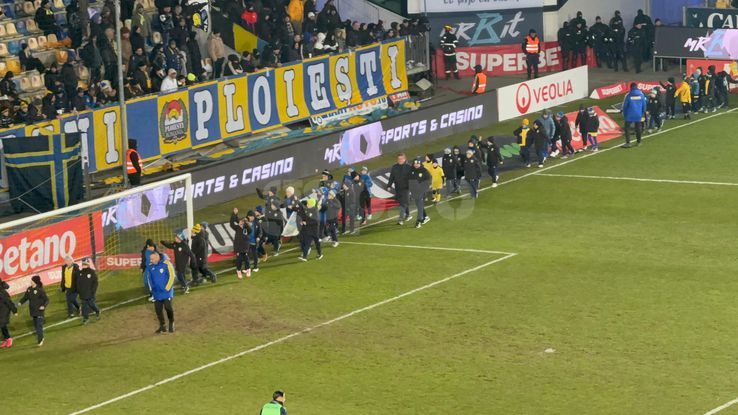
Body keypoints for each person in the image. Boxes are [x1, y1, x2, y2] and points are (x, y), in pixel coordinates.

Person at [145, 252, 176, 334]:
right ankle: (163, 326)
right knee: (158, 310)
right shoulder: (151, 267)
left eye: (152, 259)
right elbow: (149, 279)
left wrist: (167, 288)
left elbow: (172, 276)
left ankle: (171, 323)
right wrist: (152, 290)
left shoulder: (166, 264)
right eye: (150, 259)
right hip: (157, 293)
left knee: (168, 308)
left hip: (167, 292)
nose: (151, 260)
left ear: (157, 258)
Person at [18, 275, 49, 346]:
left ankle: (40, 340)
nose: (31, 282)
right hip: (32, 311)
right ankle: (41, 336)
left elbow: (47, 300)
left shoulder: (40, 290)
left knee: (39, 326)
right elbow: (25, 297)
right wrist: (20, 302)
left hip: (39, 311)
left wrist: (43, 306)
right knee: (35, 326)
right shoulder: (29, 289)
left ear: (35, 282)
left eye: (32, 280)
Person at [387, 153, 412, 225]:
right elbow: (392, 177)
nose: (400, 160)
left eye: (401, 159)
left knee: (402, 204)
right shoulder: (394, 167)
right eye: (399, 159)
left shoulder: (408, 167)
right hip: (398, 188)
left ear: (405, 159)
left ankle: (400, 219)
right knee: (403, 202)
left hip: (406, 188)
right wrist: (389, 185)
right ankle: (408, 215)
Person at [622, 82, 647, 147]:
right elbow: (644, 105)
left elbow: (625, 106)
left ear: (630, 87)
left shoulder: (628, 95)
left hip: (629, 114)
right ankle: (639, 142)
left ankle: (628, 143)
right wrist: (642, 113)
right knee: (638, 128)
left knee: (627, 128)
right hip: (638, 114)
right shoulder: (641, 94)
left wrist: (624, 114)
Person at [230, 209, 252, 279]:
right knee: (239, 259)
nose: (240, 224)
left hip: (245, 246)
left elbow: (250, 231)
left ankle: (248, 270)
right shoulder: (237, 228)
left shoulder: (247, 229)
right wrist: (234, 214)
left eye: (242, 223)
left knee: (246, 258)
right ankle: (238, 271)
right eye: (240, 222)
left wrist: (246, 224)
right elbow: (231, 223)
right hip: (238, 247)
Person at [77, 258, 100, 324]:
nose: (84, 266)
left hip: (90, 293)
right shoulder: (80, 273)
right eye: (83, 264)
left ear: (88, 264)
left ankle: (97, 311)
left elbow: (95, 283)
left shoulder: (92, 272)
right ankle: (85, 318)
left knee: (91, 304)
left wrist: (93, 291)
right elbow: (78, 283)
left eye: (85, 264)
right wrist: (79, 290)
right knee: (84, 306)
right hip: (83, 293)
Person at [409, 158, 431, 228]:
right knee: (419, 206)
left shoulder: (424, 171)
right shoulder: (411, 170)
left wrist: (424, 188)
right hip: (414, 192)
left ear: (420, 164)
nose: (416, 165)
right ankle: (426, 217)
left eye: (417, 164)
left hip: (421, 191)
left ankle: (418, 222)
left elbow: (429, 180)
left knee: (420, 206)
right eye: (415, 164)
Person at [0, 279, 17, 349]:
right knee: (1, 324)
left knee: (2, 323)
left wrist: (14, 310)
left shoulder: (2, 292)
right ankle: (5, 339)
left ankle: (9, 339)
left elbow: (8, 301)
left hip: (4, 309)